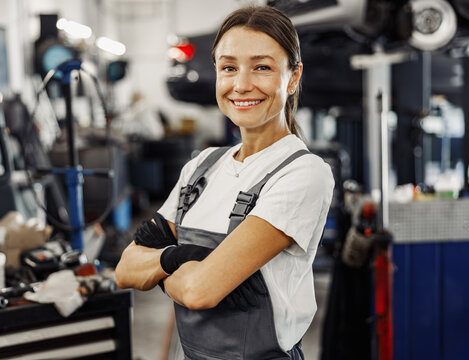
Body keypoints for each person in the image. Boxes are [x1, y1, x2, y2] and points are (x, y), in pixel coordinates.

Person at [115, 6, 334, 360]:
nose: (241, 84)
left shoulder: (302, 172)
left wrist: (162, 266)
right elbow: (125, 269)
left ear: (293, 77)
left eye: (262, 67)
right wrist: (181, 256)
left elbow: (201, 291)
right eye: (229, 67)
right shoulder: (202, 166)